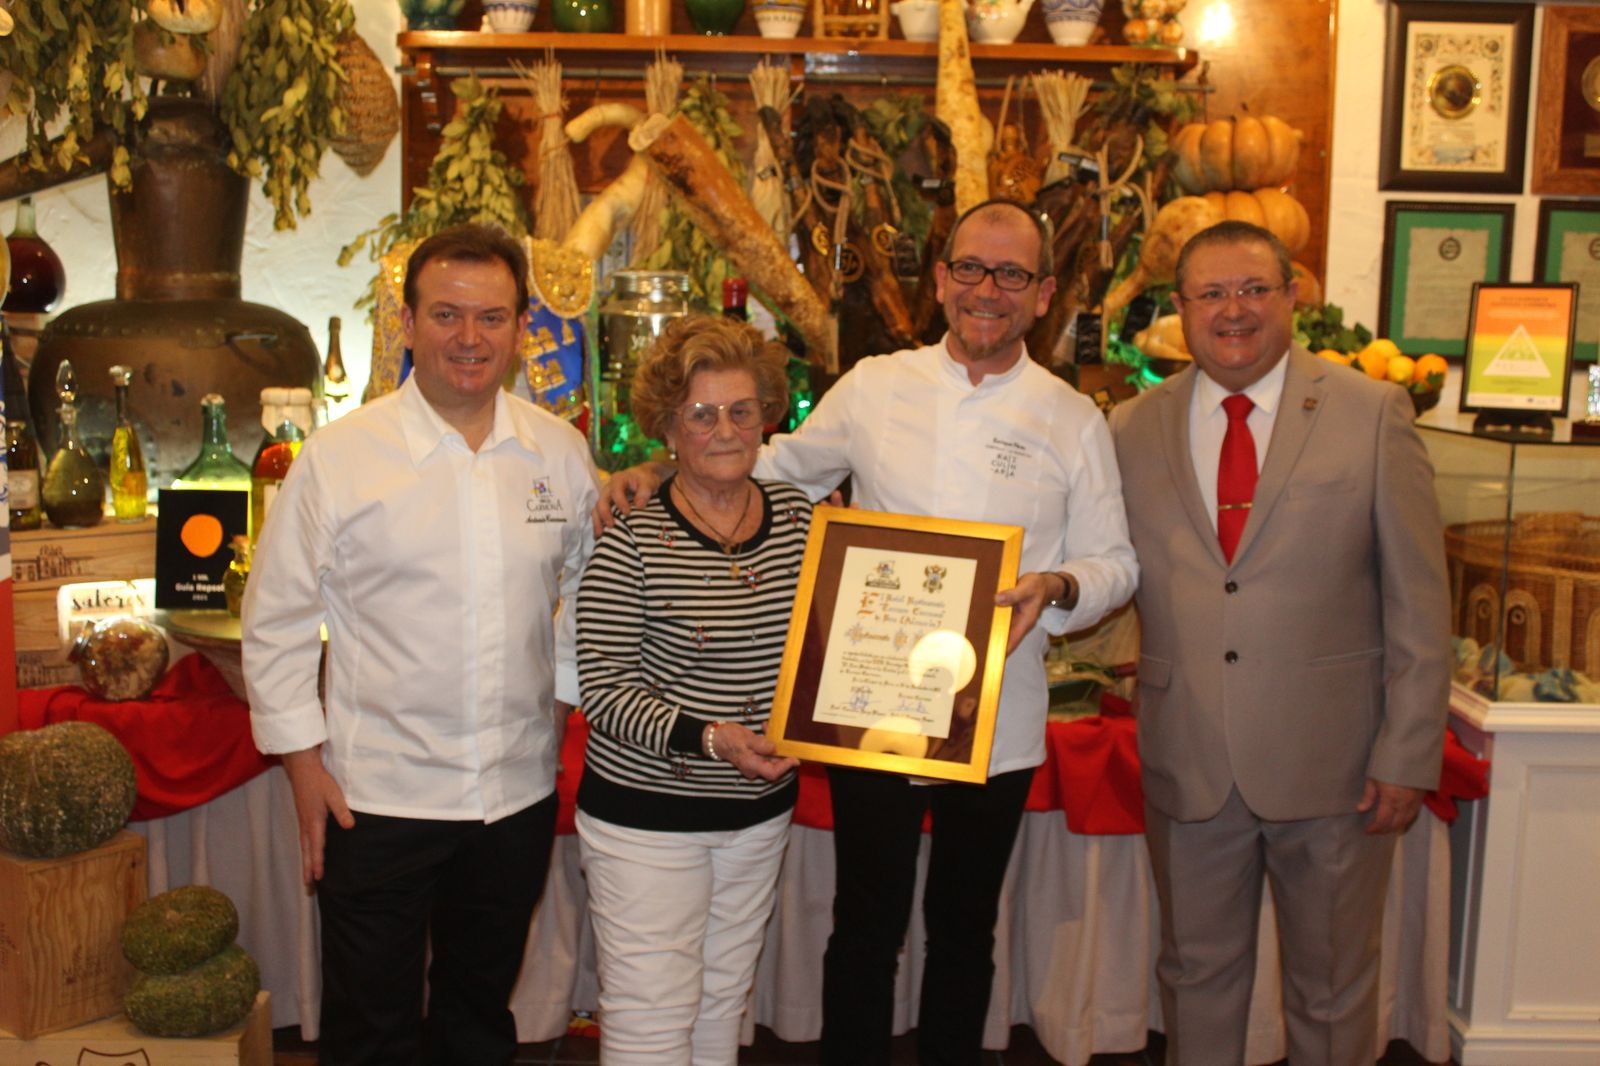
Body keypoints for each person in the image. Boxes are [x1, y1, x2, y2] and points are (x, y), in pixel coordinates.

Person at [598, 199, 1139, 1065]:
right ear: (942, 280)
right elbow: (772, 468)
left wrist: (1059, 584)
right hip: (874, 706)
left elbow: (1116, 562)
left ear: (1043, 295)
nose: (988, 290)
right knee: (864, 924)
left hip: (995, 719)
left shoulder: (1072, 418)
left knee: (965, 928)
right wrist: (659, 467)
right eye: (971, 268)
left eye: (1011, 274)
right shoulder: (877, 386)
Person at [242, 223, 599, 1066]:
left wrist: (559, 698)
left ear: (521, 328)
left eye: (491, 317)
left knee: (479, 1020)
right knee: (372, 1032)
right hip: (375, 799)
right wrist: (302, 767)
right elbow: (277, 617)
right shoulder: (341, 457)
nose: (468, 338)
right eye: (446, 314)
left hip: (512, 797)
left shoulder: (558, 452)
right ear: (407, 323)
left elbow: (586, 593)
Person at [1107, 220, 1451, 1066]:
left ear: (1293, 296)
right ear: (1180, 308)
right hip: (1189, 759)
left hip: (1338, 771)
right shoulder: (1129, 428)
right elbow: (1107, 568)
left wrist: (1407, 753)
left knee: (1332, 991)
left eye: (1254, 289)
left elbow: (1419, 602)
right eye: (1212, 293)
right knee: (1194, 978)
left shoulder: (1372, 413)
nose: (1234, 310)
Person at [575, 314, 810, 1065]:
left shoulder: (801, 520)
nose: (725, 430)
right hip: (648, 818)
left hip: (759, 811)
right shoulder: (632, 536)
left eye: (742, 410)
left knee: (720, 1008)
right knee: (651, 1020)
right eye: (702, 414)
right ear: (669, 428)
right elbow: (605, 691)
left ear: (766, 417)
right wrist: (712, 738)